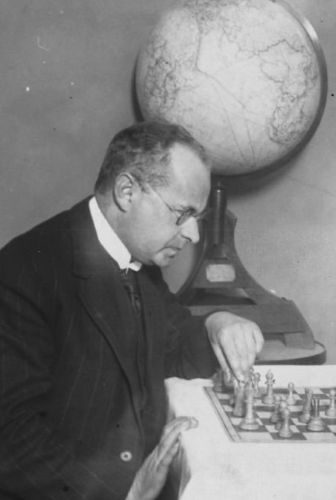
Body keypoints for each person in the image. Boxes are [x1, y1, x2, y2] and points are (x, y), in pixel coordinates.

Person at [0, 122, 264, 500]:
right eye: (182, 213)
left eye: (198, 219)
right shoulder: (24, 271)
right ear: (127, 192)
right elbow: (10, 437)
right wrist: (125, 490)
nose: (193, 235)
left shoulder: (139, 260)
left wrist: (218, 324)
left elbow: (174, 351)